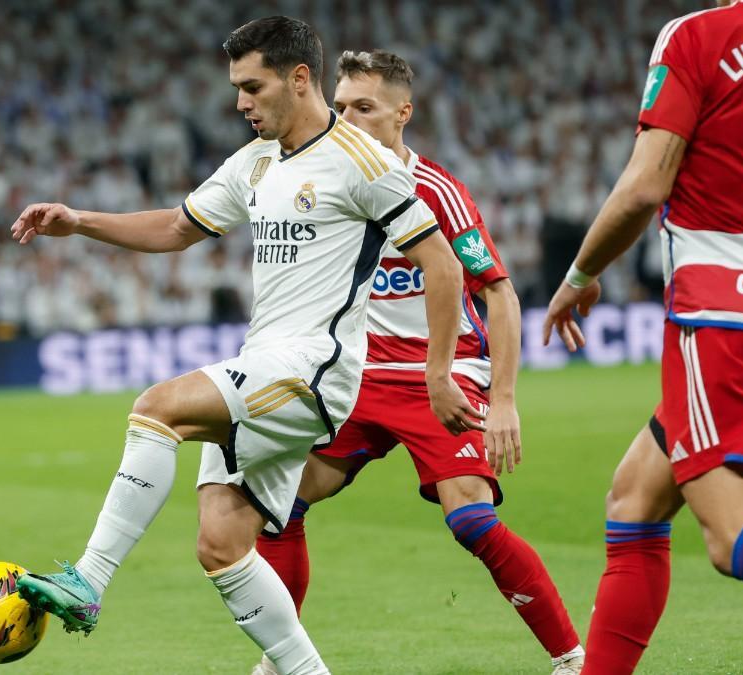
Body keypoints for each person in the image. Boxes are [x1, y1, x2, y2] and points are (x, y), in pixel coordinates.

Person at [9, 17, 482, 675]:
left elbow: (443, 264)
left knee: (157, 407)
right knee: (222, 544)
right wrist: (81, 221)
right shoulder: (255, 161)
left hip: (315, 369)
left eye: (252, 86)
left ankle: (88, 580)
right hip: (269, 360)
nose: (240, 102)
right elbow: (178, 225)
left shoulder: (363, 160)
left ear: (298, 78)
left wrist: (438, 372)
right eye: (237, 88)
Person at [250, 50, 584, 675]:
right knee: (280, 505)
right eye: (341, 105)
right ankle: (283, 661)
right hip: (358, 377)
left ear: (402, 114)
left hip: (445, 372)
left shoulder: (435, 191)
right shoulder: (323, 181)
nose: (347, 118)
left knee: (473, 522)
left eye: (364, 107)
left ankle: (572, 659)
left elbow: (500, 295)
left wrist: (505, 399)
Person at [542, 1, 743, 672]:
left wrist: (580, 272)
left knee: (735, 535)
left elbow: (644, 186)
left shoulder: (698, 33)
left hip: (720, 314)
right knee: (634, 498)